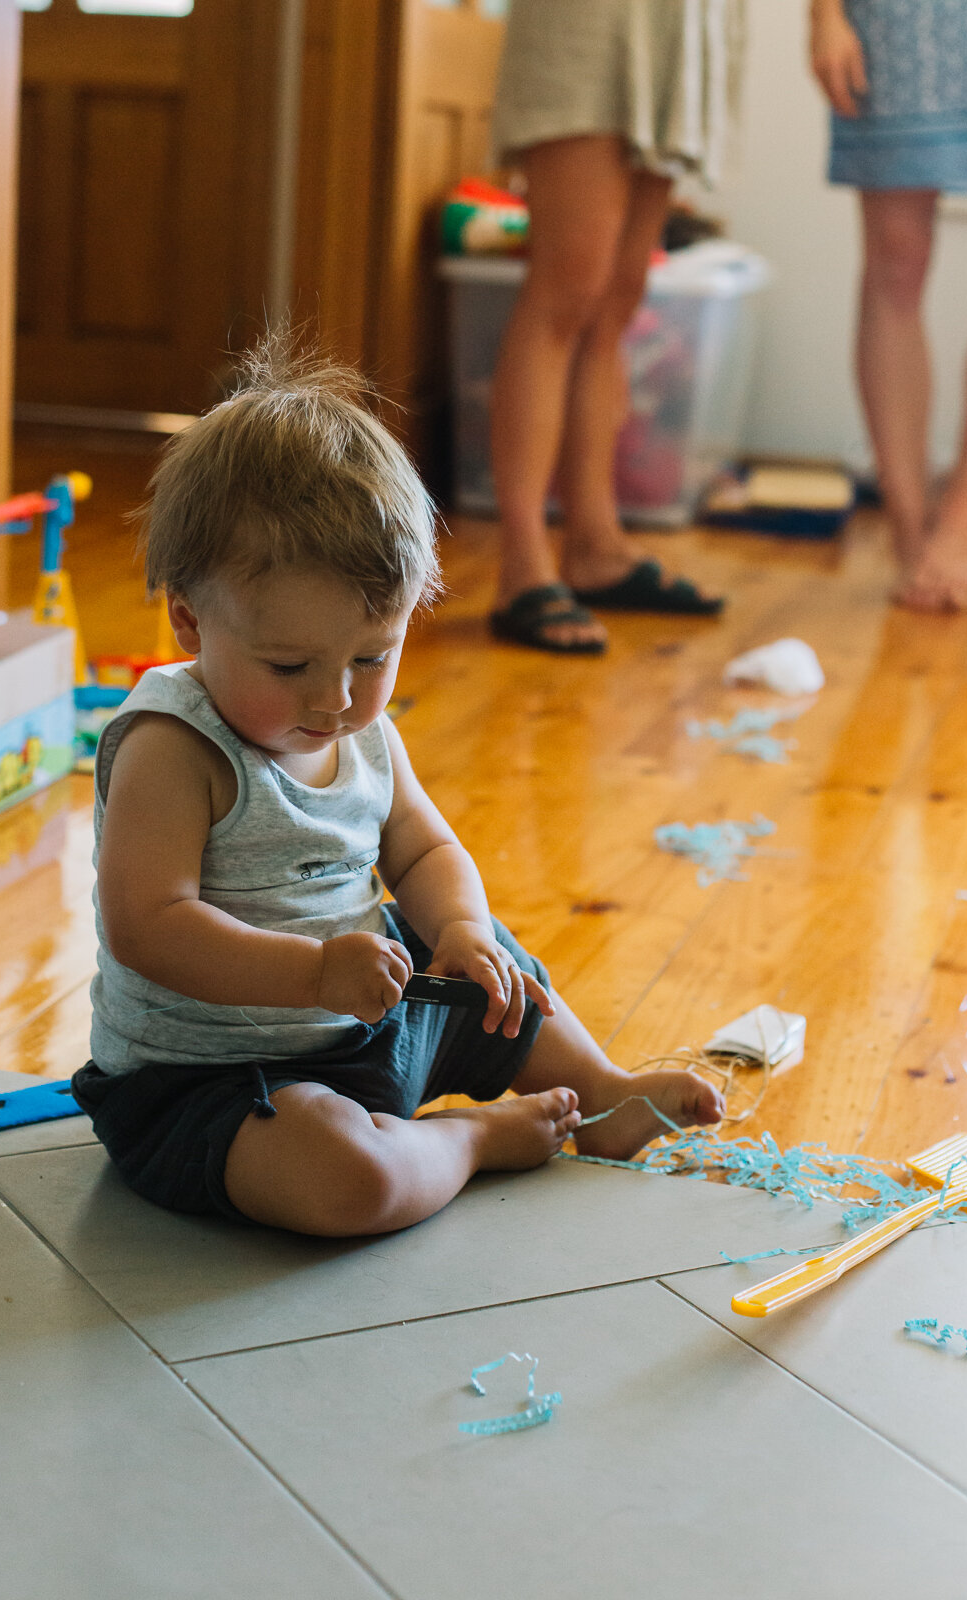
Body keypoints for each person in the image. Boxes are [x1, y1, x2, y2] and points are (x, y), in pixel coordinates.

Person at [70, 339, 723, 1238]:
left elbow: (422, 848)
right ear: (189, 618)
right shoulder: (173, 746)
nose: (335, 699)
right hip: (208, 1088)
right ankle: (465, 1142)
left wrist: (456, 931)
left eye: (372, 657)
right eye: (290, 662)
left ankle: (600, 1093)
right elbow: (147, 926)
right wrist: (311, 974)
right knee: (350, 1184)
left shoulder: (362, 733)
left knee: (483, 957)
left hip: (368, 1028)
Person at [485, 0, 745, 654]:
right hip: (592, 19)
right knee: (567, 288)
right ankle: (521, 567)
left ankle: (595, 545)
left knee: (617, 299)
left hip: (684, 20)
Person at [811, 0, 967, 611]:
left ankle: (963, 511)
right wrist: (823, 15)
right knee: (896, 261)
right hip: (899, 21)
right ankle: (908, 531)